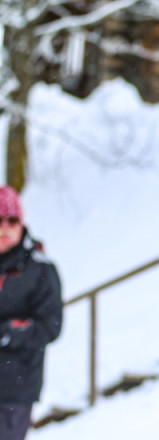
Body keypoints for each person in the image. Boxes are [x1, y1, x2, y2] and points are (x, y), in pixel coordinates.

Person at [0, 186, 63, 440]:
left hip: (15, 389)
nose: (5, 228)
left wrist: (8, 332)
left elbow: (51, 325)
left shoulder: (39, 268)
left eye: (12, 220)